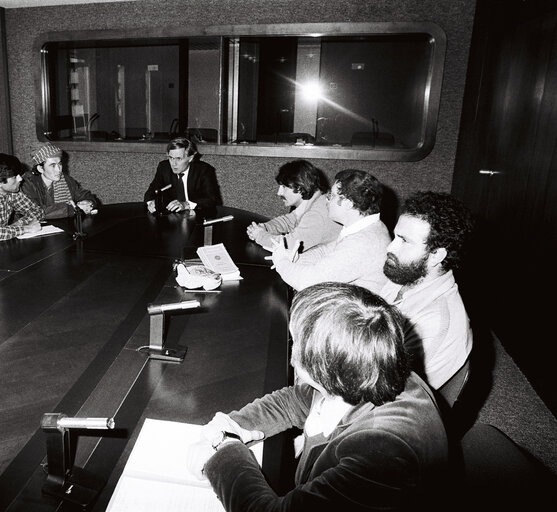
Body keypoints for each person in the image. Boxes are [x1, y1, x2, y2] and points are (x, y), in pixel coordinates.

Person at [187, 282, 448, 510]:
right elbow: (293, 400)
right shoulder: (367, 368)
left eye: (295, 341)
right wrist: (234, 426)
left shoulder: (384, 455)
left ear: (322, 365)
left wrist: (223, 451)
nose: (292, 352)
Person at [380, 191, 474, 392]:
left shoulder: (433, 322)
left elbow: (387, 392)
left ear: (435, 255)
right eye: (395, 236)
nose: (390, 247)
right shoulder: (407, 277)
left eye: (404, 241)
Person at [271, 169, 390, 293]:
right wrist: (296, 259)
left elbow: (307, 282)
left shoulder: (363, 243)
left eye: (332, 196)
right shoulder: (368, 226)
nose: (327, 201)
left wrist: (281, 261)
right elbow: (325, 251)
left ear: (348, 203)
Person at [246, 159, 341, 251]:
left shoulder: (317, 214)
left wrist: (260, 235)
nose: (279, 193)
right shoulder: (314, 200)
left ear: (299, 187)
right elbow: (289, 221)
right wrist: (265, 227)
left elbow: (289, 246)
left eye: (284, 187)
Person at [21, 142, 100, 219]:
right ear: (40, 168)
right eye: (53, 165)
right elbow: (37, 212)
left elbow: (84, 194)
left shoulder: (65, 179)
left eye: (59, 164)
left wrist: (88, 202)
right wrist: (72, 208)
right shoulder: (26, 183)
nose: (58, 170)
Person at [144, 137, 222, 213]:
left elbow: (212, 200)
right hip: (171, 218)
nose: (173, 163)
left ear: (190, 158)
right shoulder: (164, 167)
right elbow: (150, 192)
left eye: (179, 159)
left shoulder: (204, 170)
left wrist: (186, 204)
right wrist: (151, 203)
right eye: (171, 158)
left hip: (197, 217)